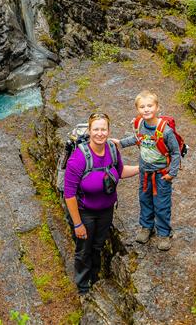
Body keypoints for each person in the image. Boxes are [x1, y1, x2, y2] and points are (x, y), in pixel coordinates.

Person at [63, 112, 138, 295]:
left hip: (106, 210)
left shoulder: (112, 149)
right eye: (96, 129)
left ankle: (95, 279)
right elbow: (69, 194)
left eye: (103, 129)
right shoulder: (78, 158)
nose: (100, 133)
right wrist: (78, 223)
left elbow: (120, 172)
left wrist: (142, 168)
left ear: (108, 130)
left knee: (97, 246)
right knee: (84, 249)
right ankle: (83, 287)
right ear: (89, 131)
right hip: (84, 211)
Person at [117, 90, 181, 251]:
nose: (146, 109)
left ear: (157, 107)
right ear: (137, 109)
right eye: (142, 107)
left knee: (161, 204)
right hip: (145, 172)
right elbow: (138, 139)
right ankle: (146, 227)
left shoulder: (165, 131)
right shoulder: (139, 125)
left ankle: (164, 233)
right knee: (144, 199)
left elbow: (175, 152)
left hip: (161, 174)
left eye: (150, 106)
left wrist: (171, 173)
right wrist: (121, 143)